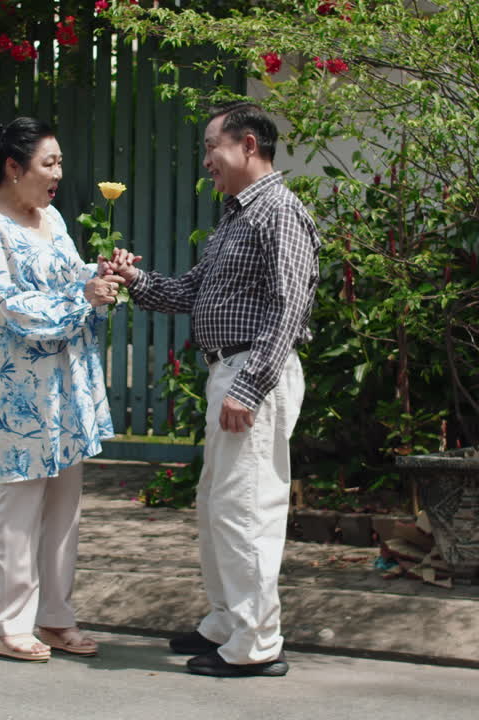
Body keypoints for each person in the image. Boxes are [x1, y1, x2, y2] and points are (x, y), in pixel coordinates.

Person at [106, 101, 320, 677]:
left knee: (247, 507)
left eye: (211, 148)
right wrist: (134, 279)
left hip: (253, 372)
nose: (206, 161)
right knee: (218, 505)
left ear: (248, 145)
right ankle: (227, 623)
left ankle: (256, 643)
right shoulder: (237, 216)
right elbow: (192, 291)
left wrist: (249, 387)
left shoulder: (278, 210)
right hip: (231, 368)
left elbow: (290, 304)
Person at [0, 116, 125, 662]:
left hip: (65, 384)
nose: (58, 174)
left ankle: (55, 616)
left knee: (64, 507)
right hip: (19, 393)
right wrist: (83, 299)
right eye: (48, 163)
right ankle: (8, 624)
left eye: (59, 163)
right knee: (19, 506)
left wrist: (99, 275)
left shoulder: (52, 218)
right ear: (14, 167)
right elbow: (7, 306)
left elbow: (69, 275)